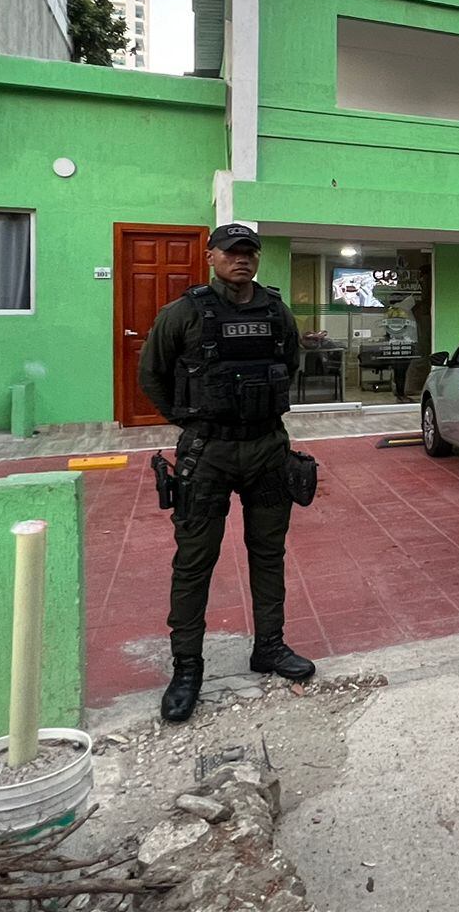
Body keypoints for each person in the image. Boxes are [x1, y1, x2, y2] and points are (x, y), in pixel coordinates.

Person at [138, 223, 314, 723]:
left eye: (250, 252)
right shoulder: (184, 312)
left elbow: (290, 363)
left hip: (266, 448)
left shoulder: (277, 310)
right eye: (233, 251)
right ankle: (187, 668)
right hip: (208, 453)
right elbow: (151, 373)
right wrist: (192, 419)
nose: (243, 259)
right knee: (195, 560)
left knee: (269, 552)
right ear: (211, 255)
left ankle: (270, 647)